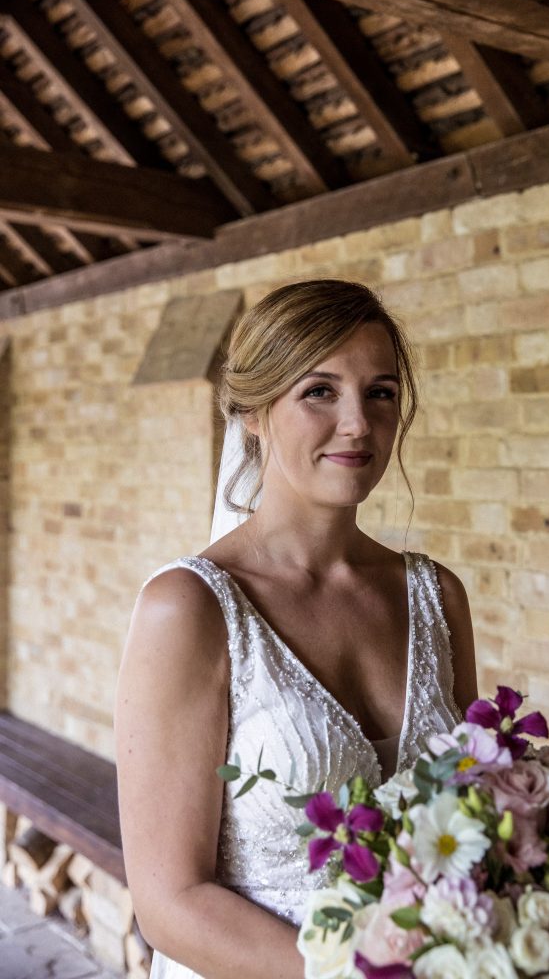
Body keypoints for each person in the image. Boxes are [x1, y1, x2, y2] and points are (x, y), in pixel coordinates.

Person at [115, 279, 477, 979]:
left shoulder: (436, 595)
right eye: (319, 391)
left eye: (380, 392)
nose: (358, 424)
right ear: (252, 411)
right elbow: (168, 901)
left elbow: (470, 814)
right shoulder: (190, 609)